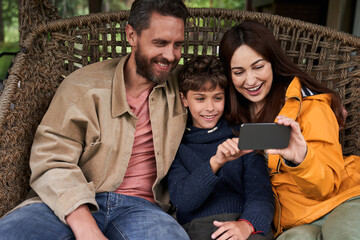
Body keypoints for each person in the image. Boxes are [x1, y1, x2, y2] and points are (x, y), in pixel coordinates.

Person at [0, 0, 190, 239]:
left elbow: (234, 86)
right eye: (160, 43)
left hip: (143, 210)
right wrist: (85, 226)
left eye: (178, 45)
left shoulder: (186, 87)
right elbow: (51, 160)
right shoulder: (82, 86)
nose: (170, 56)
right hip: (69, 200)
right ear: (131, 35)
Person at [219, 20, 360, 240]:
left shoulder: (310, 106)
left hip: (341, 200)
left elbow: (327, 187)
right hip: (291, 223)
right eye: (239, 72)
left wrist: (301, 159)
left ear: (272, 63)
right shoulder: (228, 117)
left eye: (258, 67)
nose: (250, 80)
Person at [167, 55, 274, 240]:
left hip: (245, 225)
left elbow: (261, 193)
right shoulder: (177, 145)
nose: (210, 107)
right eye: (200, 99)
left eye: (217, 98)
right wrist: (216, 162)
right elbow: (183, 201)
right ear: (184, 99)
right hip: (198, 228)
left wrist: (247, 225)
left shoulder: (242, 137)